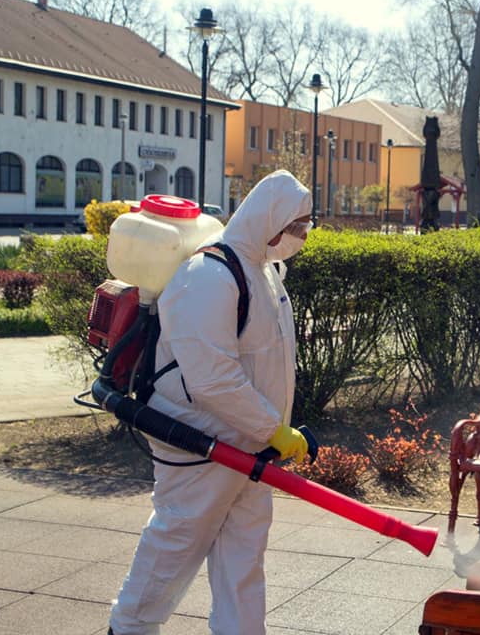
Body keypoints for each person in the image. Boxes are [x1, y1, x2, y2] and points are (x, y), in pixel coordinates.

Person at [109, 169, 316, 635]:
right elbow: (214, 380)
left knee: (243, 559)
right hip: (199, 445)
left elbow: (266, 362)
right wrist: (275, 430)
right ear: (271, 220)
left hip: (248, 447)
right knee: (175, 545)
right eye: (297, 226)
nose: (301, 237)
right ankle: (129, 628)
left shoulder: (264, 272)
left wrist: (276, 431)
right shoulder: (208, 276)